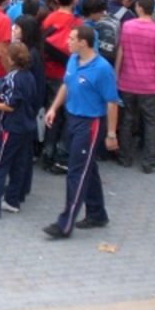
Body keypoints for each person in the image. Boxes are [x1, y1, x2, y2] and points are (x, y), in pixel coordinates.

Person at [42, 24, 119, 239]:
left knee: (76, 172)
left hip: (90, 124)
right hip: (72, 119)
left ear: (83, 43)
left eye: (71, 38)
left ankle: (65, 223)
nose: (67, 42)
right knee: (88, 168)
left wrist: (111, 134)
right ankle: (97, 213)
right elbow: (67, 85)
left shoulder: (102, 69)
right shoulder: (73, 60)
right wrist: (54, 108)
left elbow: (112, 103)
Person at [0, 42, 38, 219]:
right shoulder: (29, 76)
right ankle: (13, 200)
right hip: (27, 126)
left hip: (11, 127)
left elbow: (10, 105)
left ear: (11, 59)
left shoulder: (13, 78)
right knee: (18, 165)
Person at [114, 0, 155, 171]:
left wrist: (117, 73)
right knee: (150, 121)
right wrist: (151, 67)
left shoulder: (127, 26)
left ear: (140, 8)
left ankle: (124, 156)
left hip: (127, 81)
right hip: (149, 83)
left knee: (127, 119)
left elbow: (120, 51)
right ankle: (150, 161)